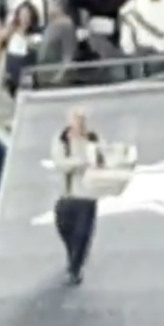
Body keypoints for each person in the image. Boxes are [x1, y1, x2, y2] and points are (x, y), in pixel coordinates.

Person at [49, 107, 104, 285]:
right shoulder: (62, 140)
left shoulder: (94, 139)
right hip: (66, 196)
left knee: (82, 234)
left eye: (82, 120)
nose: (80, 123)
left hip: (86, 196)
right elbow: (61, 163)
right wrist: (82, 163)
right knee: (65, 228)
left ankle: (75, 269)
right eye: (76, 119)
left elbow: (101, 159)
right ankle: (72, 255)